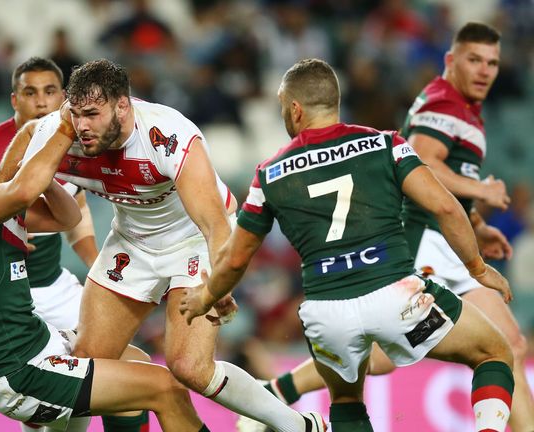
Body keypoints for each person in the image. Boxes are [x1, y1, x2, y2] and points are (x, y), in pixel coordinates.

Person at [180, 58, 515, 432]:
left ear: (295, 109)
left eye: (281, 108)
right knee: (494, 352)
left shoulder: (269, 174)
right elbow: (445, 207)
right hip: (398, 297)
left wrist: (205, 296)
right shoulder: (386, 144)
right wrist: (479, 270)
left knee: (344, 400)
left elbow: (237, 258)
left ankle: (285, 392)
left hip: (327, 314)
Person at [249, 22, 534, 432]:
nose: (484, 70)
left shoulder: (462, 108)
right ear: (451, 61)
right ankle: (277, 392)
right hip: (426, 243)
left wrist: (475, 221)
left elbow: (439, 180)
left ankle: (277, 392)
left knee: (506, 344)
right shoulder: (444, 105)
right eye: (474, 60)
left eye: (492, 62)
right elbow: (425, 163)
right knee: (394, 351)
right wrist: (479, 191)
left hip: (442, 239)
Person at [19, 58, 325, 431]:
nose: (82, 125)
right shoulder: (64, 134)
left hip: (193, 241)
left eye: (92, 114)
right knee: (87, 365)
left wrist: (220, 282)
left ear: (122, 105)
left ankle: (301, 426)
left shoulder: (169, 136)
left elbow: (213, 224)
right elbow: (14, 176)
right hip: (132, 241)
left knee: (189, 367)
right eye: (76, 114)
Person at [0, 56, 150, 431]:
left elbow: (73, 217)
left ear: (63, 98)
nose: (41, 102)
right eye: (30, 92)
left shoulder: (78, 139)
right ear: (15, 100)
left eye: (50, 92)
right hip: (16, 298)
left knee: (126, 366)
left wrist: (99, 271)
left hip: (54, 288)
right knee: (108, 387)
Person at [0, 118, 209, 432]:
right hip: (24, 371)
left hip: (33, 349)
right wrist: (63, 126)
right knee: (165, 387)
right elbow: (23, 190)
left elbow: (67, 218)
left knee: (137, 364)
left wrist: (48, 181)